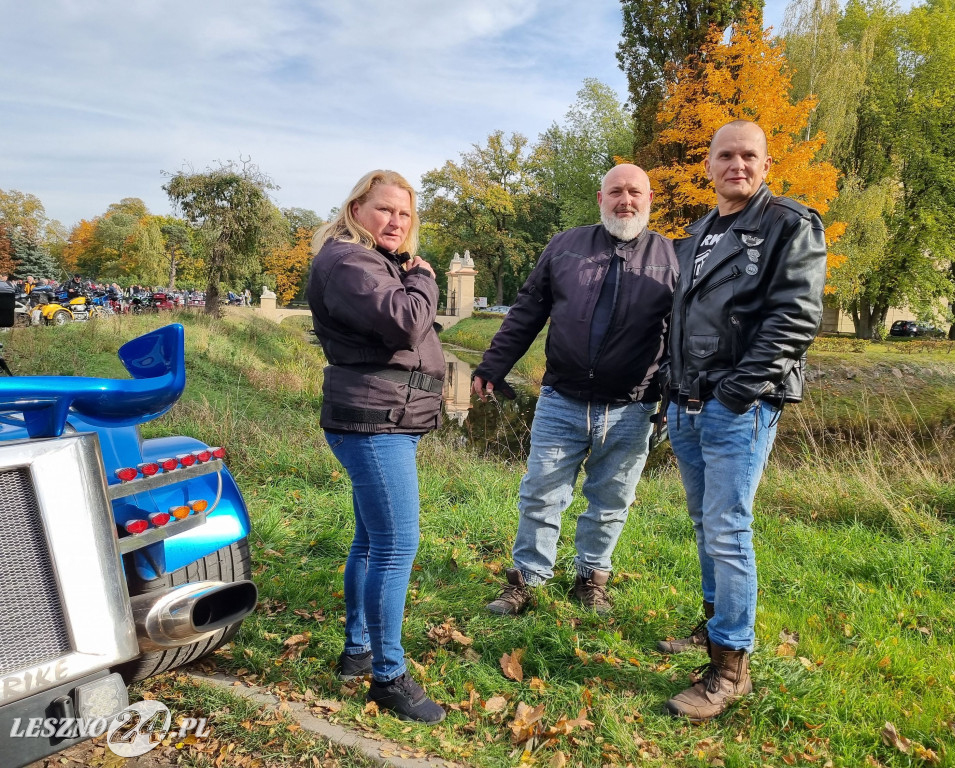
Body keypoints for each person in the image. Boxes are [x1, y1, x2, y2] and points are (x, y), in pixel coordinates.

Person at [659, 119, 827, 721]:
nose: (737, 165)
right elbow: (680, 320)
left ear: (765, 162)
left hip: (739, 404)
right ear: (708, 165)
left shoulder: (788, 224)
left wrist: (737, 393)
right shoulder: (699, 232)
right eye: (725, 155)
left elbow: (797, 317)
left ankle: (731, 668)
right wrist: (671, 392)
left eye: (748, 155)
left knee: (728, 528)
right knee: (707, 525)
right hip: (688, 403)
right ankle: (713, 630)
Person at [474, 163, 678, 616]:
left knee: (610, 500)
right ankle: (527, 579)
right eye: (616, 192)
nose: (626, 200)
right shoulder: (565, 246)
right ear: (601, 199)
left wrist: (671, 396)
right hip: (561, 399)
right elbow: (528, 309)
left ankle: (592, 578)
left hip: (633, 406)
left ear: (649, 200)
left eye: (635, 193)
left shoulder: (671, 258)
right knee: (541, 494)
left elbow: (680, 335)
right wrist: (492, 365)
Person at [306, 169, 446, 724]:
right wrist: (426, 279)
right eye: (385, 209)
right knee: (395, 546)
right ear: (357, 208)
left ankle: (357, 651)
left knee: (371, 541)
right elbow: (409, 323)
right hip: (374, 421)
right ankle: (389, 677)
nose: (396, 221)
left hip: (385, 418)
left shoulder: (374, 263)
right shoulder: (348, 261)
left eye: (405, 214)